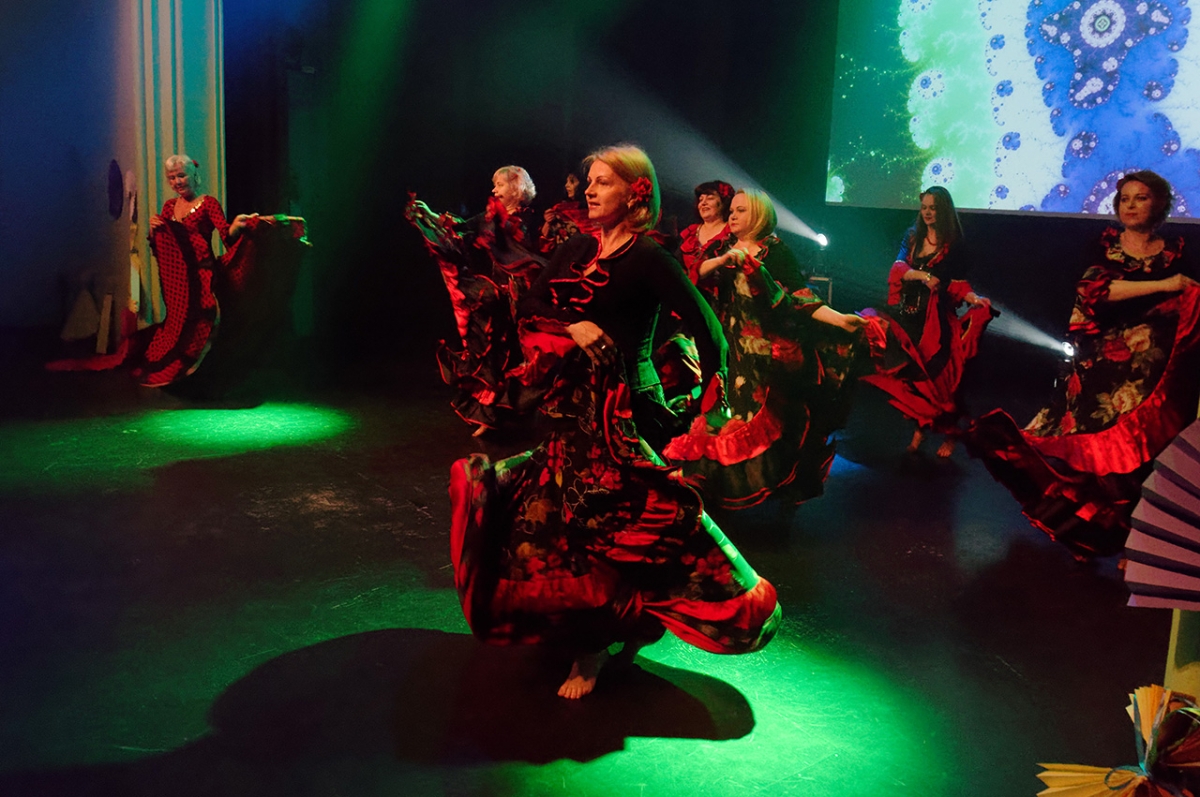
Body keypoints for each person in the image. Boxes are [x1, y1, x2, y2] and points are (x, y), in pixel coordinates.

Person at [449, 145, 780, 699]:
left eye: (603, 182)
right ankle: (588, 629)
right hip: (569, 410)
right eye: (590, 181)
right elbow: (531, 306)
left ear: (635, 194)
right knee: (562, 526)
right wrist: (574, 325)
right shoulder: (576, 248)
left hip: (627, 414)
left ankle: (594, 648)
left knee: (613, 529)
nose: (590, 189)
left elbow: (710, 331)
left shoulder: (649, 257)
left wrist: (714, 404)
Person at [966, 171, 1200, 558]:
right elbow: (1095, 291)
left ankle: (1134, 542)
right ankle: (1092, 534)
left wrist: (1179, 291)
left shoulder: (1176, 251)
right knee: (1096, 460)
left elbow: (1191, 299)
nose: (1130, 205)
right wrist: (1165, 284)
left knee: (1142, 461)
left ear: (1159, 204)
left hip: (1152, 376)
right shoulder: (1105, 245)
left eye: (1140, 198)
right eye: (1124, 198)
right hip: (1102, 366)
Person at [664, 188, 869, 508]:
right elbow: (695, 274)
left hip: (767, 353)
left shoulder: (775, 251)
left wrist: (840, 319)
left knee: (763, 422)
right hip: (731, 349)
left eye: (741, 210)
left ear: (759, 215)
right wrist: (723, 259)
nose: (732, 216)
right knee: (723, 416)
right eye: (732, 210)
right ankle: (711, 484)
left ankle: (767, 486)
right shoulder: (722, 247)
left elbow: (801, 298)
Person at [47, 154, 279, 388]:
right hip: (178, 281)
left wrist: (237, 225)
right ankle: (178, 366)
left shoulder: (208, 204)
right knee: (178, 323)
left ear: (194, 175)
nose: (177, 182)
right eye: (172, 178)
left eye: (181, 175)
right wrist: (155, 230)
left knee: (204, 318)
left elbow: (226, 237)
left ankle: (200, 370)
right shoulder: (169, 207)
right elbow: (162, 245)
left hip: (202, 274)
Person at [859, 186, 995, 457]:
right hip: (909, 316)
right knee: (913, 379)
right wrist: (923, 277)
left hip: (936, 321)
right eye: (924, 208)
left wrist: (972, 297)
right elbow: (898, 269)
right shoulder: (912, 237)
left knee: (942, 381)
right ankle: (919, 430)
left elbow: (955, 283)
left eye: (933, 208)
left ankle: (950, 434)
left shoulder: (954, 243)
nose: (928, 213)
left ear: (943, 210)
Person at [406, 165, 542, 435]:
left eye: (500, 185)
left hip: (521, 297)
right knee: (489, 352)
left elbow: (526, 255)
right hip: (495, 295)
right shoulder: (489, 216)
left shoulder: (527, 221)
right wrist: (430, 215)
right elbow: (462, 228)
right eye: (494, 184)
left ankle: (522, 411)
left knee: (526, 356)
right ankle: (488, 414)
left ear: (516, 188)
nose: (494, 190)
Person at [539, 171, 591, 255]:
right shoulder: (560, 208)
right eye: (567, 182)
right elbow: (544, 242)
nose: (567, 185)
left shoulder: (593, 211)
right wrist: (548, 222)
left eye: (572, 182)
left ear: (583, 185)